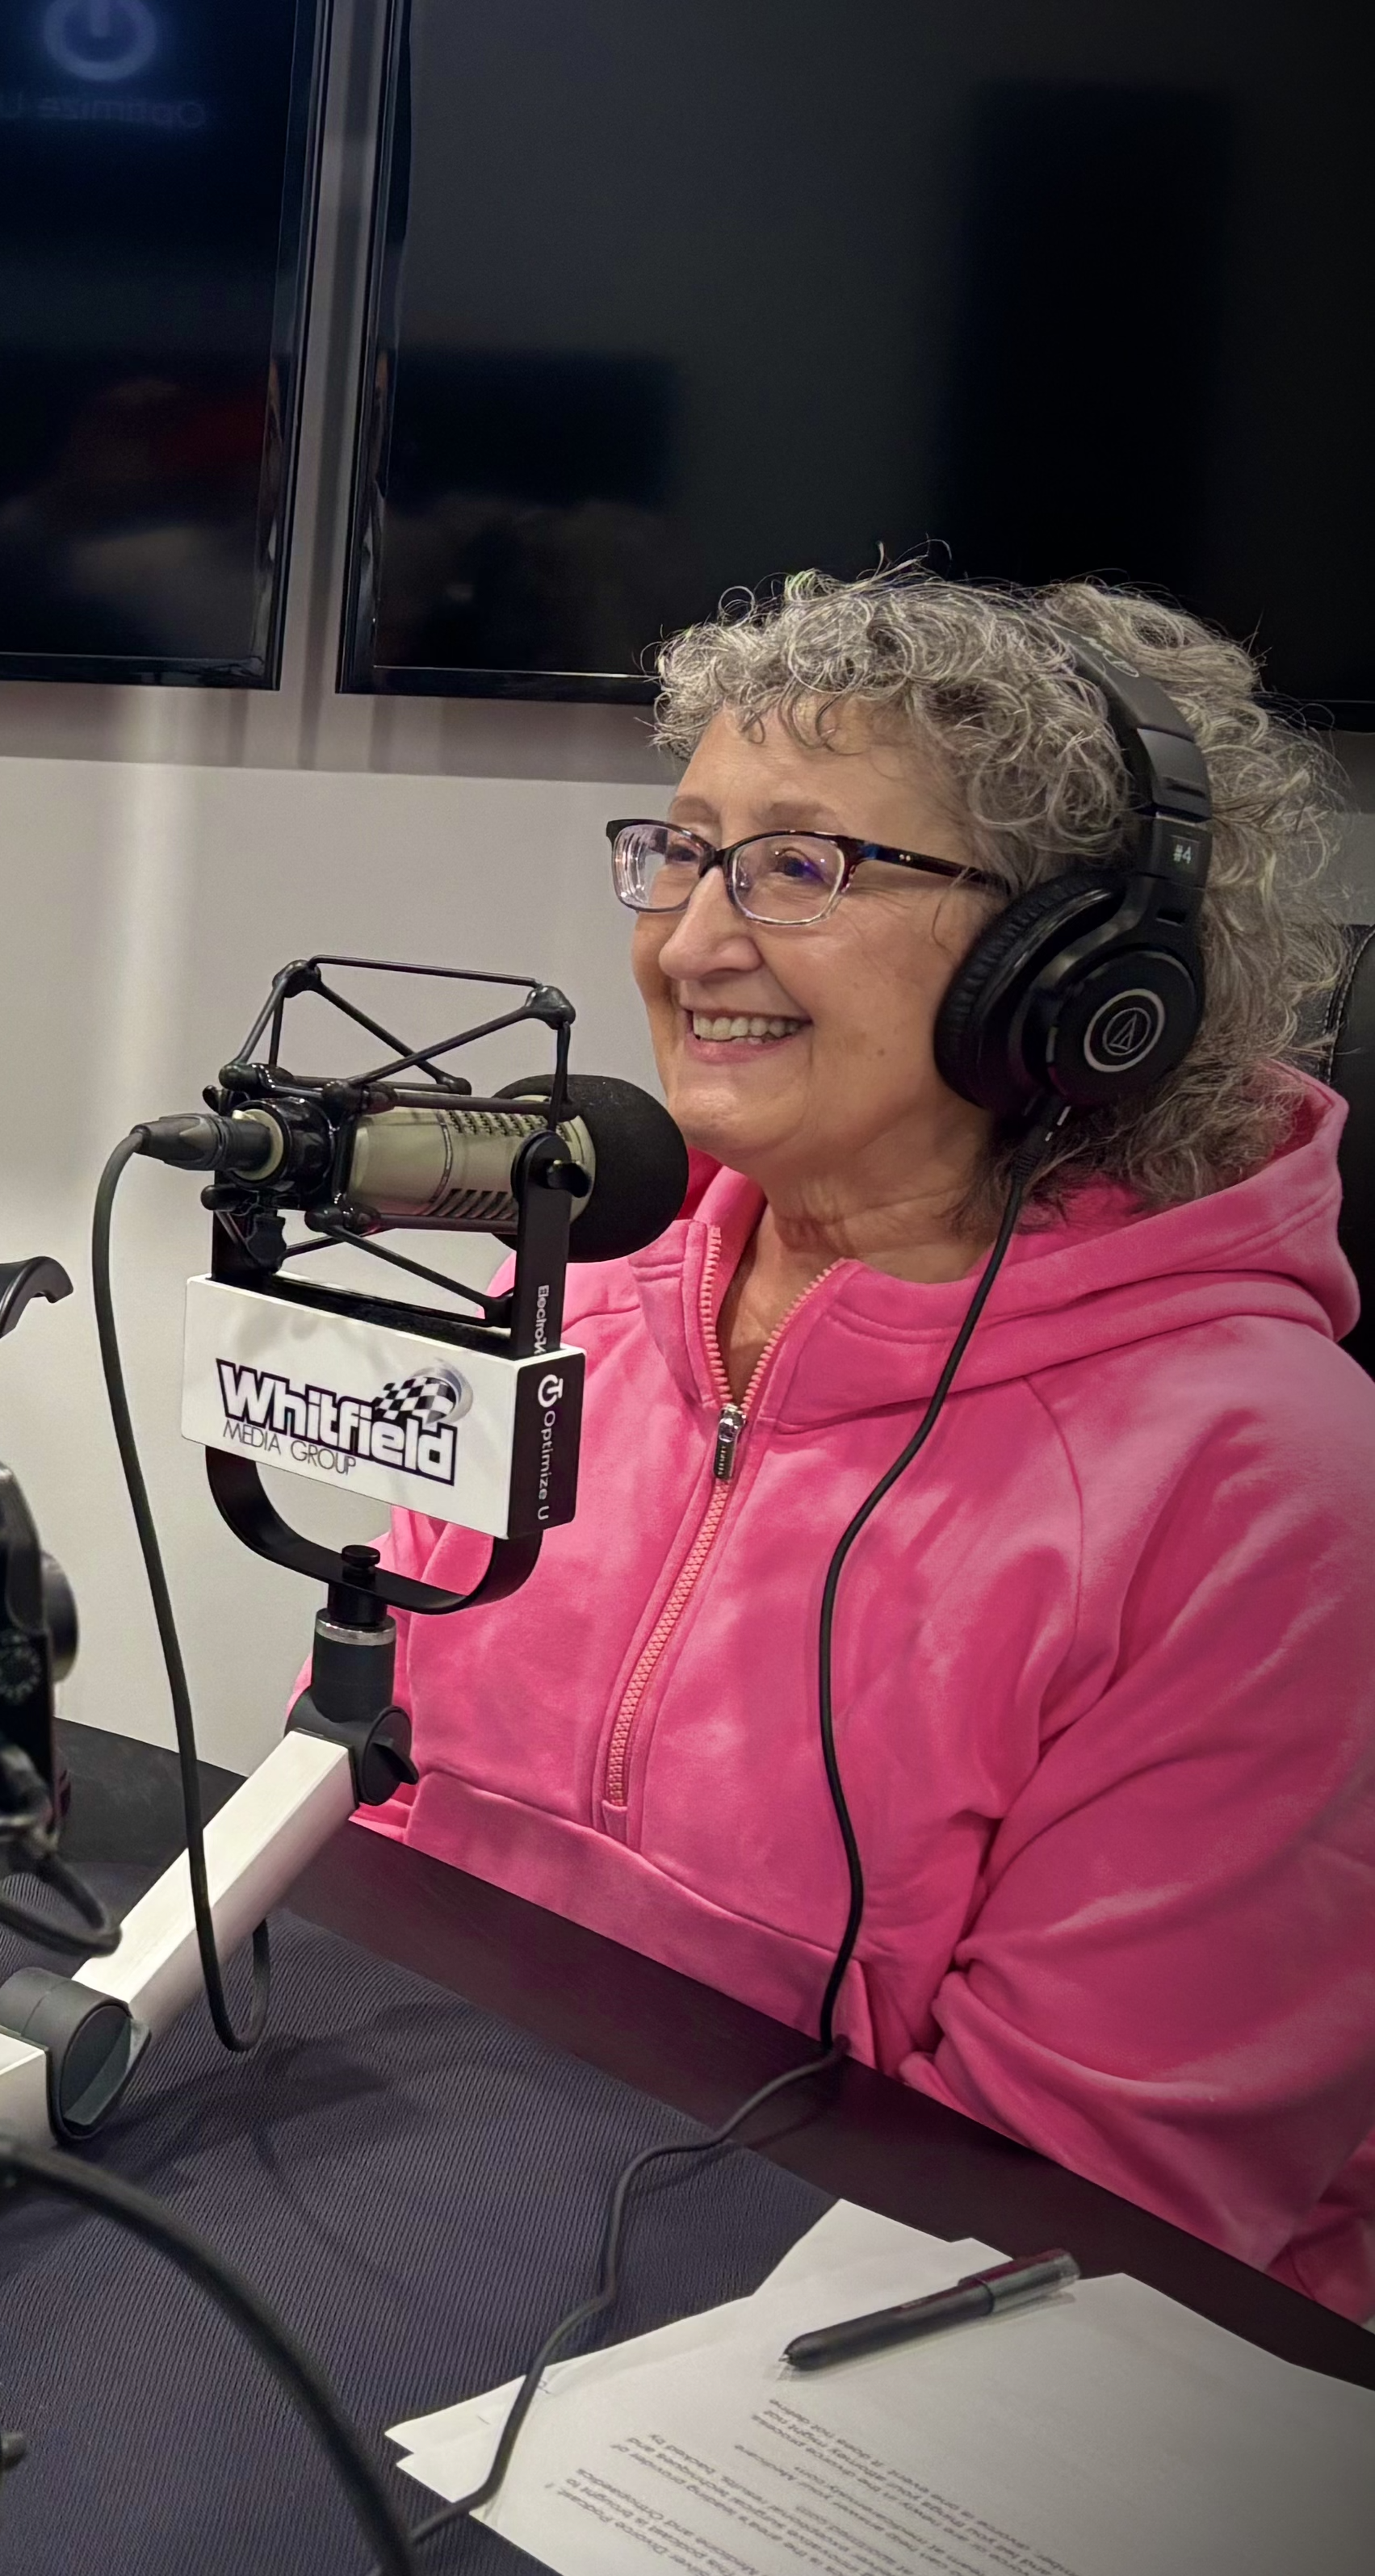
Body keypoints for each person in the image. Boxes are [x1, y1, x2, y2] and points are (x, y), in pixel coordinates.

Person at [353, 569, 1375, 2314]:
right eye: (677, 851)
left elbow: (1073, 2219)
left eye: (801, 865)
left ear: (1070, 972)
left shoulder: (1264, 1483)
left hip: (892, 2356)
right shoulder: (576, 1293)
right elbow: (371, 1827)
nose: (685, 942)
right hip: (460, 2210)